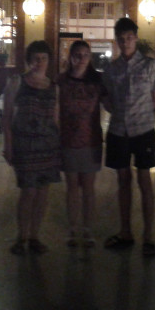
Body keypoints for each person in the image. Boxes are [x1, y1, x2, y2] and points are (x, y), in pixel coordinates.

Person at [102, 17, 155, 257]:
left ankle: (149, 236)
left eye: (129, 37)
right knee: (123, 181)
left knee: (144, 181)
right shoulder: (111, 69)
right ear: (116, 41)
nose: (125, 42)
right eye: (121, 38)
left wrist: (138, 113)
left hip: (143, 131)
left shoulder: (150, 66)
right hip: (118, 131)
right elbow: (106, 99)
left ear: (135, 38)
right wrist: (120, 112)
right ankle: (125, 231)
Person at [2, 40, 61, 255]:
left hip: (48, 146)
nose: (39, 62)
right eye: (35, 58)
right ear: (28, 61)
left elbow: (56, 119)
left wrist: (59, 146)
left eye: (43, 58)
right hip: (25, 145)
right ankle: (22, 236)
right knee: (28, 191)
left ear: (49, 61)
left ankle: (35, 236)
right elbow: (7, 117)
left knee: (43, 193)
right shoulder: (17, 82)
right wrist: (8, 145)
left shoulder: (54, 87)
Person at [57, 40, 106, 248]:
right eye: (77, 55)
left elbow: (110, 103)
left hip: (91, 139)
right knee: (71, 188)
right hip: (67, 140)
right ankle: (72, 228)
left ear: (90, 57)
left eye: (86, 55)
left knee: (88, 188)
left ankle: (87, 229)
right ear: (70, 57)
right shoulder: (61, 81)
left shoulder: (97, 81)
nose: (81, 59)